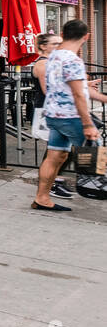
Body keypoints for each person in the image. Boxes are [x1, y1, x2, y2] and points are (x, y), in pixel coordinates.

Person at [34, 19, 107, 211]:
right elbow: (77, 94)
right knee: (97, 154)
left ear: (64, 34)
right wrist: (88, 124)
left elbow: (78, 89)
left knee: (55, 157)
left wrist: (103, 99)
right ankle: (93, 188)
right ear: (86, 37)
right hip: (72, 117)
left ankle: (42, 198)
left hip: (54, 116)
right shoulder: (73, 60)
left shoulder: (53, 58)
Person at [31, 33, 73, 199]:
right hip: (48, 111)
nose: (59, 46)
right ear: (43, 46)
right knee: (56, 150)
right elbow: (48, 90)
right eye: (55, 44)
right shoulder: (42, 64)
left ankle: (52, 181)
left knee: (60, 149)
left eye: (60, 43)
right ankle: (50, 184)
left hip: (57, 109)